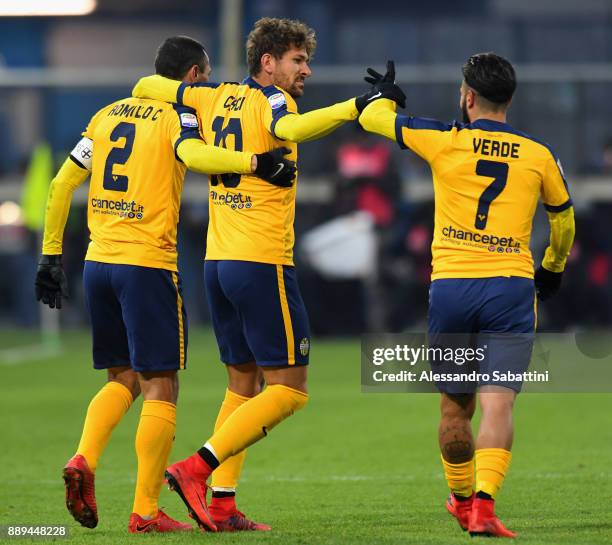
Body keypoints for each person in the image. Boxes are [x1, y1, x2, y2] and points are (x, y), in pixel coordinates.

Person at [131, 17, 405, 532]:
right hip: (262, 261)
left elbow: (145, 85)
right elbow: (291, 129)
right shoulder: (272, 100)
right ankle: (197, 468)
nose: (305, 70)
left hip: (218, 264)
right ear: (268, 62)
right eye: (298, 61)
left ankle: (222, 503)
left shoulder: (210, 96)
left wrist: (190, 91)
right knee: (292, 388)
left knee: (243, 385)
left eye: (305, 60)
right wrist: (356, 106)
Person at [35, 35, 296, 534]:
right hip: (146, 264)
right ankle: (146, 511)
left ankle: (85, 457)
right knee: (161, 385)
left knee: (121, 379)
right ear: (193, 76)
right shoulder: (180, 116)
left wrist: (50, 255)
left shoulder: (106, 114)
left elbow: (61, 184)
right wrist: (256, 163)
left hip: (96, 264)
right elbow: (197, 157)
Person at [359, 53, 575, 537]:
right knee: (499, 403)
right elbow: (564, 219)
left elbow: (371, 117)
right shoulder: (538, 153)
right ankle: (483, 506)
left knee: (454, 407)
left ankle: (459, 499)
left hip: (453, 288)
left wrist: (388, 98)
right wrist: (553, 267)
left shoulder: (444, 139)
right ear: (510, 99)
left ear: (468, 96)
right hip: (511, 288)